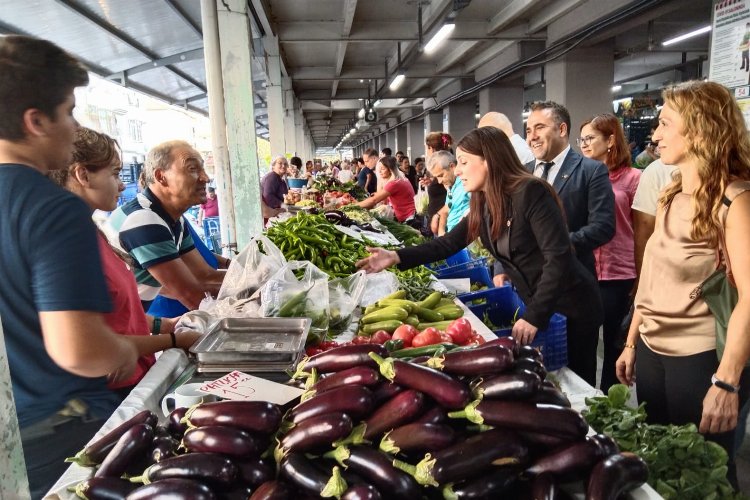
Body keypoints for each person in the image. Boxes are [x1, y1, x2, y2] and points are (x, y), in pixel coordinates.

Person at [0, 35, 138, 498]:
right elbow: (78, 350)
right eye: (70, 111)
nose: (75, 129)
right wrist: (121, 351)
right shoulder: (52, 209)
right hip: (62, 427)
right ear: (35, 121)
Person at [357, 127, 603, 385]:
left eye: (464, 162)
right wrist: (395, 256)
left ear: (489, 160)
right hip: (538, 300)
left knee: (577, 383)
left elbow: (559, 257)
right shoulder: (483, 200)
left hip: (572, 304)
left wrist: (535, 316)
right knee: (552, 379)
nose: (458, 169)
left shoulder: (531, 192)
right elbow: (449, 243)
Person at [616, 81, 750, 489]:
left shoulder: (735, 202)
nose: (654, 135)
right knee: (659, 462)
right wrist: (631, 342)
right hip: (654, 353)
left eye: (664, 124)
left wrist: (726, 382)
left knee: (703, 473)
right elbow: (651, 275)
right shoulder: (670, 193)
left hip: (701, 359)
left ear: (700, 129)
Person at [48, 128, 201, 398]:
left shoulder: (90, 232)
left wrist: (164, 325)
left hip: (136, 376)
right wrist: (176, 340)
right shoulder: (67, 247)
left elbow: (114, 316)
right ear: (83, 175)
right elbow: (89, 342)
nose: (122, 185)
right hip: (106, 393)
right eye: (115, 174)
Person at [107, 140, 227, 311]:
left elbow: (204, 275)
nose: (205, 178)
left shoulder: (174, 218)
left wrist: (257, 280)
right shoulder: (144, 220)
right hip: (124, 328)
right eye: (192, 169)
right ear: (160, 177)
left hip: (135, 322)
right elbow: (191, 296)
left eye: (203, 169)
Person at [578, 114, 641, 392]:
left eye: (590, 138)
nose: (584, 144)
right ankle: (584, 397)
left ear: (611, 140)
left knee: (615, 341)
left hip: (619, 271)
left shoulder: (632, 178)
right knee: (583, 342)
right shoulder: (580, 176)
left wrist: (641, 276)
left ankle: (608, 400)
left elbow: (642, 231)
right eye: (581, 140)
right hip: (585, 269)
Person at [524, 101, 616, 278]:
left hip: (572, 280)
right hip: (529, 281)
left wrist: (556, 245)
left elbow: (603, 227)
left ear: (562, 129)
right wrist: (501, 268)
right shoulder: (522, 172)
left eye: (539, 128)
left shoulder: (591, 171)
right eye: (528, 131)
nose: (532, 137)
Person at [356, 155, 415, 222]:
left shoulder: (394, 183)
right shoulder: (399, 179)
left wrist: (354, 205)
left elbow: (374, 200)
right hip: (407, 214)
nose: (380, 172)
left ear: (390, 170)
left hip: (408, 217)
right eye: (379, 169)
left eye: (383, 169)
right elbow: (383, 199)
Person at [428, 150, 470, 236]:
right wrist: (441, 232)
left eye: (441, 175)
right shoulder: (451, 185)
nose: (439, 182)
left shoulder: (466, 184)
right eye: (436, 177)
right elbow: (447, 208)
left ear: (452, 166)